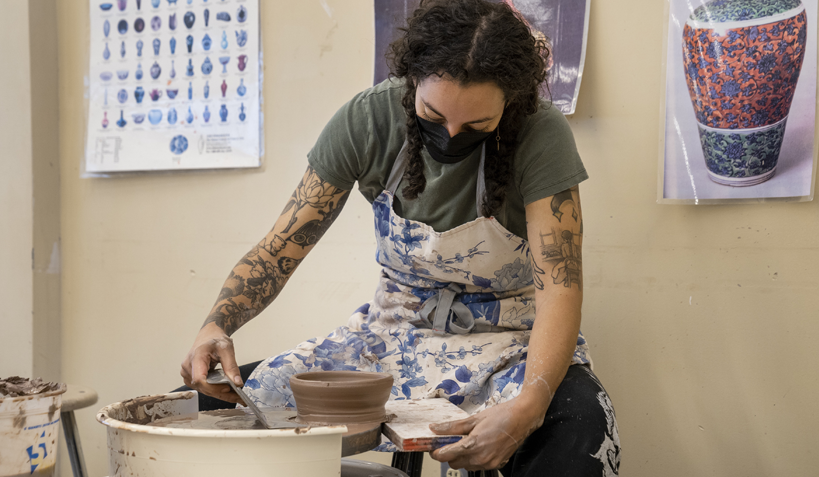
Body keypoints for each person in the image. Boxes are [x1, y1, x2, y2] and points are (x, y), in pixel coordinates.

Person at [178, 0, 620, 474]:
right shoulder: (369, 119)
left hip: (511, 342)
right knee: (196, 408)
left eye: (475, 126)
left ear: (509, 102)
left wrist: (530, 403)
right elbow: (278, 249)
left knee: (580, 426)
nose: (450, 135)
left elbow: (560, 284)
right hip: (393, 335)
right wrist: (218, 323)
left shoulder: (540, 132)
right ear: (412, 82)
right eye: (433, 114)